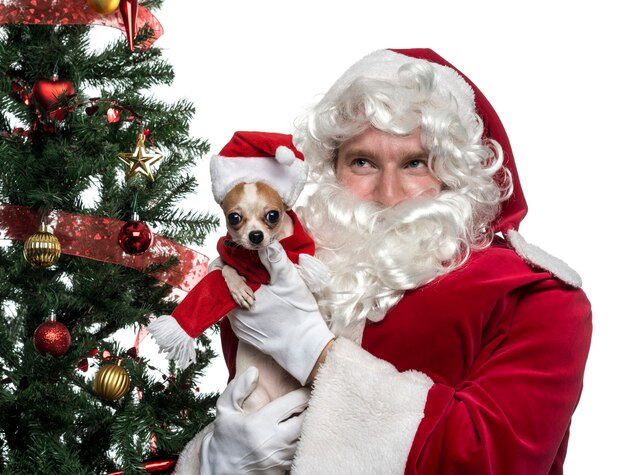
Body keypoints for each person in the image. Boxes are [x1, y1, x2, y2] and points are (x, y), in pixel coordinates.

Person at [175, 48, 592, 475]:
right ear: (332, 169)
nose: (388, 193)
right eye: (362, 162)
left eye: (415, 163)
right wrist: (214, 463)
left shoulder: (538, 298)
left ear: (455, 173)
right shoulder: (285, 282)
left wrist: (315, 352)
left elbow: (491, 459)